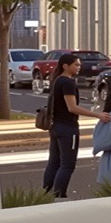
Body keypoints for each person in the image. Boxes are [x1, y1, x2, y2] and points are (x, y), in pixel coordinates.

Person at [42, 53, 93, 197]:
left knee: (54, 162)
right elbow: (72, 107)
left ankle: (45, 194)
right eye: (76, 65)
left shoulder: (57, 81)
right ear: (65, 66)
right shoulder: (67, 83)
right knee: (67, 165)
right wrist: (98, 115)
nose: (79, 67)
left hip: (56, 126)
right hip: (68, 128)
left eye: (79, 65)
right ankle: (59, 195)